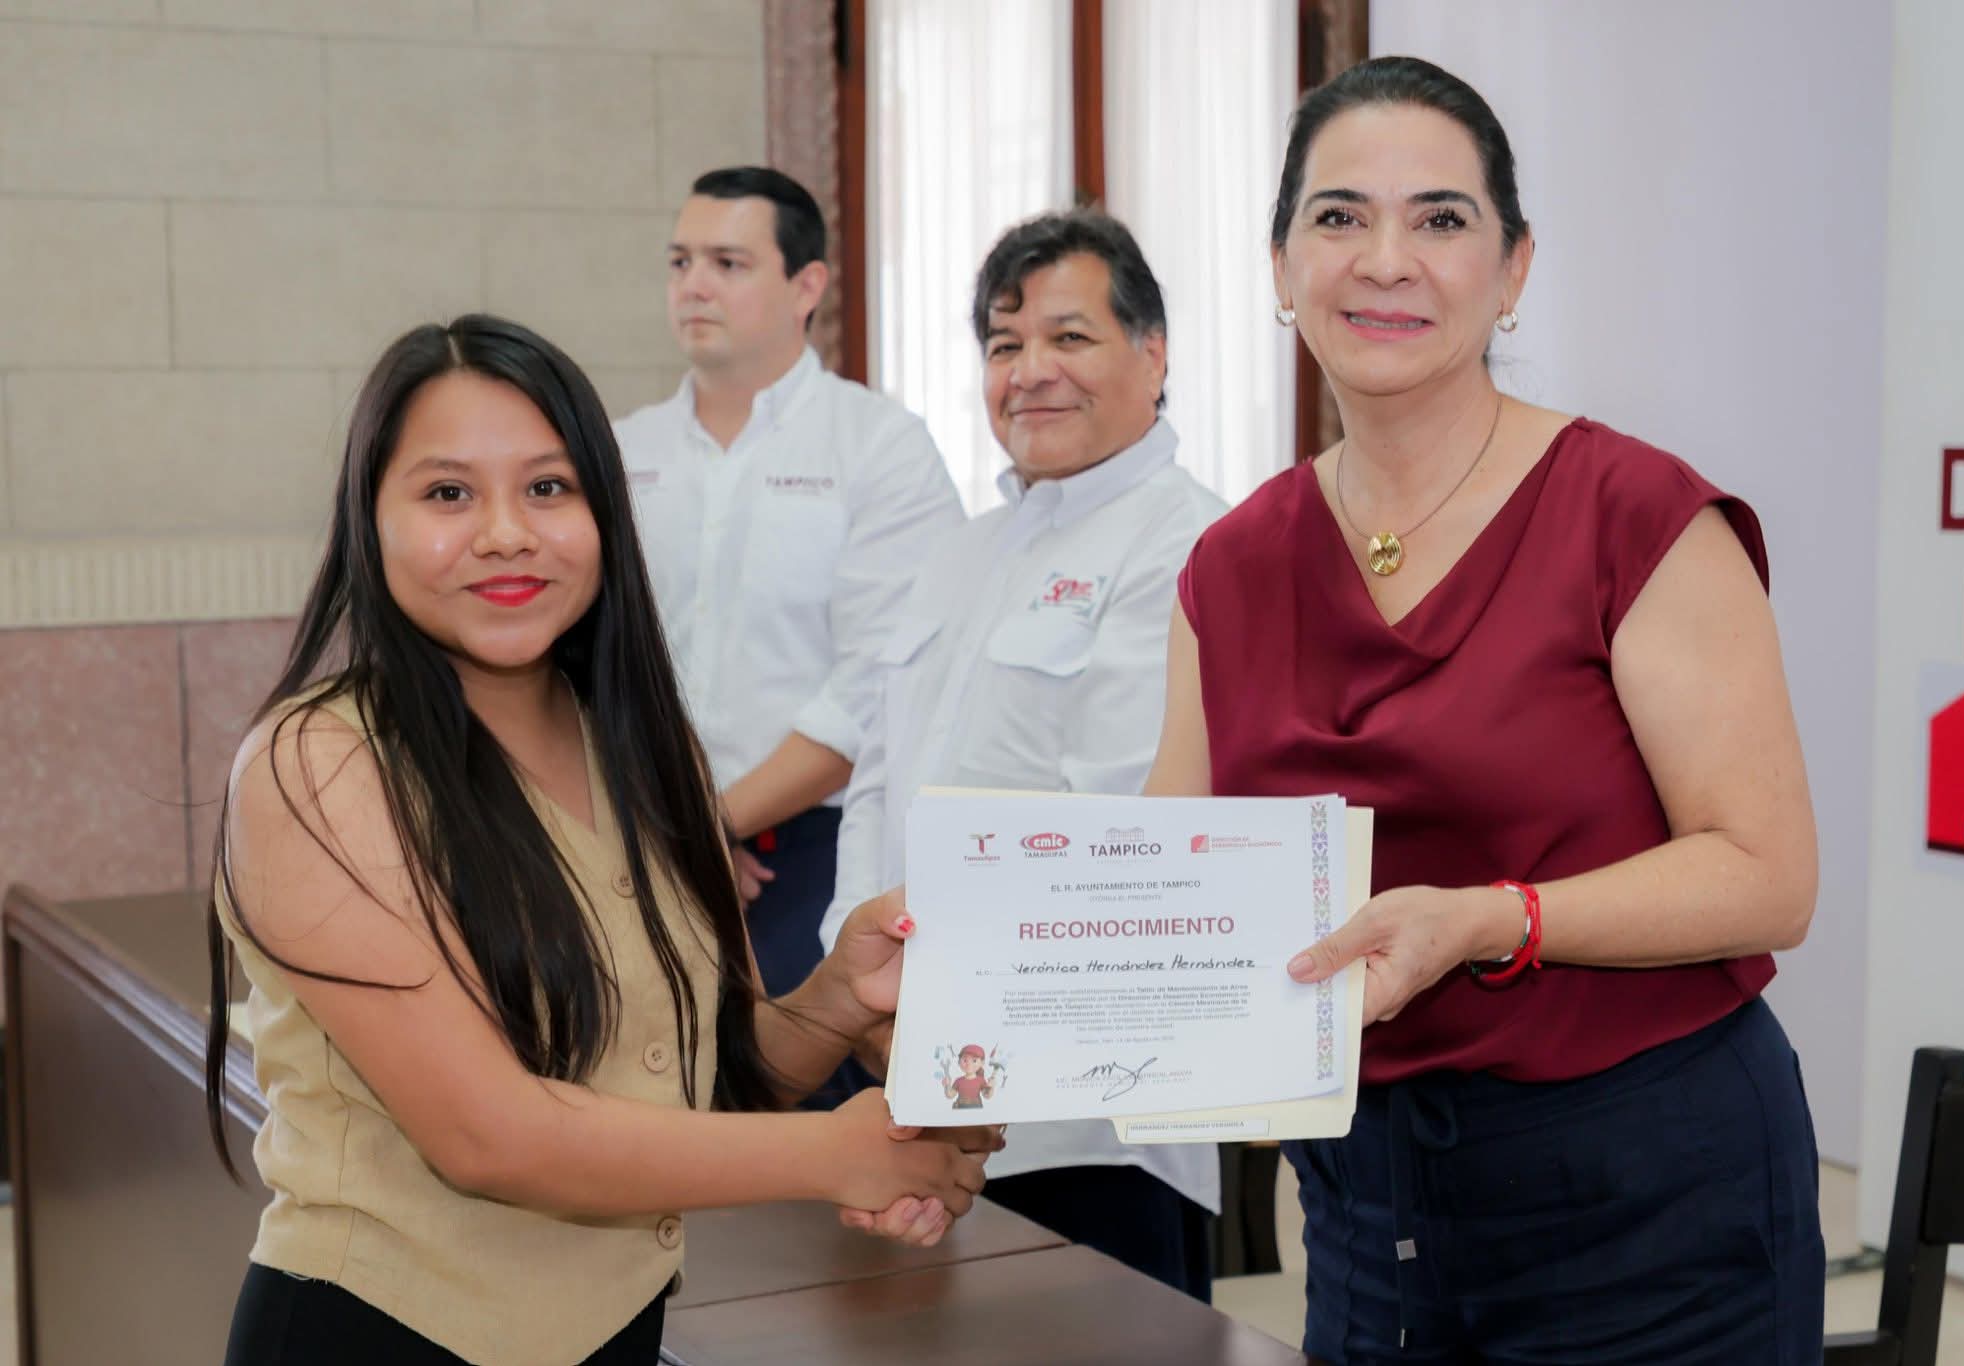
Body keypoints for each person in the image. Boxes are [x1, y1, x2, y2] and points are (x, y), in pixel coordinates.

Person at [1146, 57, 1825, 1361]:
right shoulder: (1228, 566)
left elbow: (1768, 875)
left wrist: (1489, 920)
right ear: (1281, 269)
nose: (1385, 258)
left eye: (1441, 219)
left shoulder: (1636, 515)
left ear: (1513, 271)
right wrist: (1002, 976)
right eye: (1338, 217)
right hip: (1363, 1200)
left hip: (1649, 1196)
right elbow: (1177, 881)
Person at [204, 315, 994, 1366]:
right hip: (380, 1336)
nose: (504, 533)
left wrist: (835, 998)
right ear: (370, 519)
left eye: (547, 488)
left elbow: (701, 1074)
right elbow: (490, 1135)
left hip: (616, 1338)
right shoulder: (320, 763)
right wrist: (834, 1154)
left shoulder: (634, 739)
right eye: (447, 493)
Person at [823, 211, 1226, 1301]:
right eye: (1004, 346)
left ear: (1154, 352)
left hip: (1081, 1124)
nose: (1029, 373)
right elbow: (874, 779)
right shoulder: (962, 550)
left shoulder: (1191, 546)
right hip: (911, 1087)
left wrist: (921, 1010)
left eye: (1068, 338)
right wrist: (853, 989)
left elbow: (1121, 831)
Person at [615, 166, 963, 1002]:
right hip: (638, 836)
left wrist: (714, 823)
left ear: (808, 285)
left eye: (728, 263)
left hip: (813, 848)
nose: (694, 284)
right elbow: (590, 657)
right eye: (679, 262)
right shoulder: (623, 451)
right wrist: (663, 827)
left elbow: (880, 680)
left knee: (796, 1105)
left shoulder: (878, 445)